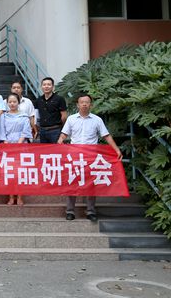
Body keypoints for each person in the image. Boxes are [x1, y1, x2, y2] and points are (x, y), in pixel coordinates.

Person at [58, 93, 122, 222]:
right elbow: (64, 134)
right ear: (78, 104)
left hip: (91, 157)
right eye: (82, 102)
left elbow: (106, 136)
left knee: (91, 184)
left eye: (87, 102)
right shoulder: (71, 119)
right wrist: (60, 142)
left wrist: (116, 150)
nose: (84, 104)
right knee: (72, 182)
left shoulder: (97, 120)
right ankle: (70, 211)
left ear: (90, 105)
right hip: (75, 156)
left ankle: (91, 211)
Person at [0, 93, 32, 206]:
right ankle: (11, 197)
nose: (12, 104)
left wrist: (18, 144)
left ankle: (20, 196)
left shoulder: (24, 116)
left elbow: (25, 132)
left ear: (18, 103)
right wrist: (6, 143)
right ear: (7, 103)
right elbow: (1, 132)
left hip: (21, 146)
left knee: (20, 173)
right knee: (9, 173)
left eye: (14, 102)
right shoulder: (3, 116)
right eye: (10, 102)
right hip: (7, 146)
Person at [36, 77, 68, 143]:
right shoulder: (39, 100)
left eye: (49, 84)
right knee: (43, 149)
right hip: (42, 131)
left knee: (56, 149)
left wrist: (63, 130)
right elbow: (37, 116)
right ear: (41, 87)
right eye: (44, 85)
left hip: (55, 130)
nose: (46, 86)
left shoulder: (59, 99)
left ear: (53, 86)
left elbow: (64, 116)